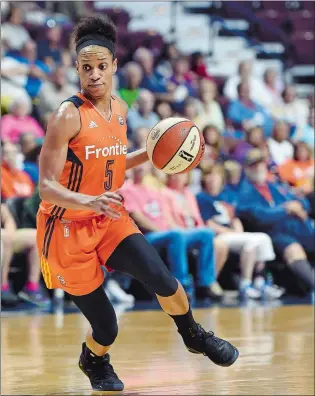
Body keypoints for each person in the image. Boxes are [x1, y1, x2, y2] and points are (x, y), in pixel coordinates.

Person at [37, 15, 239, 392]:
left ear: (114, 66)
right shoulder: (66, 115)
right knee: (107, 326)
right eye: (86, 68)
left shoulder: (120, 109)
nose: (94, 75)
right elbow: (46, 187)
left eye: (101, 66)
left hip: (108, 217)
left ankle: (193, 334)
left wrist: (149, 153)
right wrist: (90, 200)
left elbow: (108, 160)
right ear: (77, 69)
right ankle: (93, 359)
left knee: (162, 278)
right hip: (66, 229)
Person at [196, 164, 284, 300]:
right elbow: (207, 223)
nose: (213, 179)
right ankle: (246, 284)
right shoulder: (202, 198)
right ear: (204, 179)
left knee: (263, 238)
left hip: (231, 235)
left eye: (216, 176)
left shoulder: (225, 197)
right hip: (218, 235)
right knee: (252, 241)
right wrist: (230, 232)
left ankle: (258, 282)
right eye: (209, 176)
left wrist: (238, 231)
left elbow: (234, 218)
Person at [237, 149, 315, 292]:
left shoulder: (275, 186)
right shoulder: (244, 191)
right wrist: (286, 209)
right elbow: (260, 216)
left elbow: (302, 201)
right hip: (273, 232)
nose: (259, 168)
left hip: (297, 227)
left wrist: (298, 206)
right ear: (247, 168)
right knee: (293, 249)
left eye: (261, 164)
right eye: (254, 165)